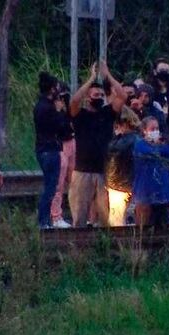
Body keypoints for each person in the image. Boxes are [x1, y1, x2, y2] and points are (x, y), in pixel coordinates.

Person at [68, 61, 127, 227]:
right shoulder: (81, 116)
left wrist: (107, 75)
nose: (99, 98)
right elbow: (74, 101)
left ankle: (102, 248)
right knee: (79, 216)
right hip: (82, 171)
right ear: (88, 97)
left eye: (101, 96)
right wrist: (91, 79)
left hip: (103, 171)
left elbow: (122, 96)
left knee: (104, 218)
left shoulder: (107, 114)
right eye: (96, 95)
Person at [133, 116, 169, 227]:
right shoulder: (140, 146)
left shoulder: (163, 147)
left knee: (167, 232)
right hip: (146, 198)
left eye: (157, 128)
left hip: (164, 198)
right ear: (144, 131)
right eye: (152, 129)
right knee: (145, 232)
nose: (156, 131)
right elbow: (155, 152)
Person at [33, 72, 66, 228]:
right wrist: (59, 112)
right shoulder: (49, 108)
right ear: (52, 89)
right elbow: (59, 127)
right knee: (50, 187)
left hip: (42, 149)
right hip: (50, 149)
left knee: (49, 185)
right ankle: (43, 221)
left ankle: (44, 220)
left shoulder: (39, 106)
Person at [105, 107, 141, 226]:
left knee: (116, 222)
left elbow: (110, 151)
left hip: (119, 184)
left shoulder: (122, 140)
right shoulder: (139, 138)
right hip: (134, 185)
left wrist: (115, 137)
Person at [50, 82, 75, 228]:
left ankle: (77, 213)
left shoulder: (68, 109)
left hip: (71, 141)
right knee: (58, 184)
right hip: (59, 145)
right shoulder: (51, 110)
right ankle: (55, 216)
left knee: (75, 182)